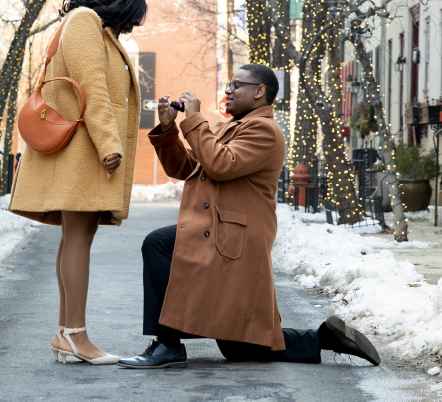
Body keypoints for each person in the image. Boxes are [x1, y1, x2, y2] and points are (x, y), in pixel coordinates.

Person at [118, 63, 381, 369]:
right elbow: (187, 168)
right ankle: (324, 338)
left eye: (235, 85)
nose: (228, 90)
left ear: (259, 92)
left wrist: (194, 119)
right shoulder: (228, 127)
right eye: (228, 85)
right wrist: (167, 130)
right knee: (238, 345)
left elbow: (220, 164)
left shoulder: (265, 131)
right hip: (221, 230)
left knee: (159, 243)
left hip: (237, 238)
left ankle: (168, 344)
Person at [8, 0, 147, 365]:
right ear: (119, 6)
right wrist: (109, 144)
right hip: (84, 153)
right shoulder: (85, 21)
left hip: (82, 152)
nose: (131, 27)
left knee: (74, 240)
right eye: (131, 18)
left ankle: (65, 333)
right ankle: (76, 335)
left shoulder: (86, 24)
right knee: (78, 241)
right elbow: (93, 88)